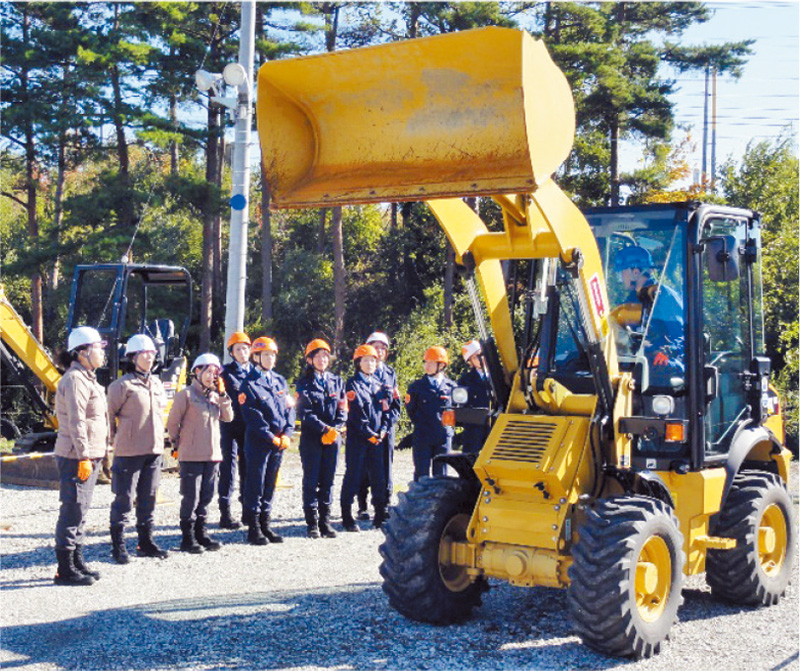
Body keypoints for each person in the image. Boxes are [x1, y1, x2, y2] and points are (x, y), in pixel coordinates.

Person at [53, 326, 108, 586]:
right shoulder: (75, 380)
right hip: (76, 456)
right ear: (83, 352)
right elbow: (76, 421)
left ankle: (76, 561)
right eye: (99, 347)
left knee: (82, 510)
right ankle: (64, 569)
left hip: (88, 455)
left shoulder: (87, 378)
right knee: (72, 509)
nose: (102, 352)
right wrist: (85, 456)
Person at [107, 334, 169, 564]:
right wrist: (110, 441)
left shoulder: (156, 383)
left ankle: (145, 542)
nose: (150, 357)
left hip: (153, 450)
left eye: (152, 353)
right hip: (128, 452)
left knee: (148, 497)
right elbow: (108, 416)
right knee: (124, 499)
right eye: (145, 353)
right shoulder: (121, 386)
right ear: (132, 357)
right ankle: (119, 545)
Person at [167, 353, 233, 554]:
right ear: (197, 371)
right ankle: (188, 537)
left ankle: (201, 533)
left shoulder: (215, 396)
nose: (212, 375)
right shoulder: (185, 395)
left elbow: (228, 417)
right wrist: (177, 444)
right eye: (208, 371)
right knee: (191, 497)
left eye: (215, 372)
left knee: (206, 495)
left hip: (212, 455)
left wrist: (222, 395)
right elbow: (172, 423)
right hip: (191, 455)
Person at [240, 337, 295, 545]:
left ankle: (265, 524)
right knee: (256, 483)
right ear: (256, 357)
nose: (270, 359)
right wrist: (271, 437)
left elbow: (290, 407)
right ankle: (253, 528)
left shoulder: (279, 381)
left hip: (279, 442)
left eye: (272, 355)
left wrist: (287, 434)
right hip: (259, 442)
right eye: (265, 355)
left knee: (270, 484)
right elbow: (252, 415)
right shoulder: (249, 384)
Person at [295, 339, 346, 538]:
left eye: (325, 356)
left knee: (328, 480)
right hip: (312, 439)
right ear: (310, 359)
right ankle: (312, 524)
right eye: (318, 356)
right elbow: (305, 413)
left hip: (333, 439)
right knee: (311, 480)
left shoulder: (337, 381)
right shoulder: (303, 383)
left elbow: (343, 408)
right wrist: (325, 429)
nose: (322, 359)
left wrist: (337, 428)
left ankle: (325, 522)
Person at [613, 245, 685, 384]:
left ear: (635, 272)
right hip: (637, 362)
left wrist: (668, 351)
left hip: (663, 365)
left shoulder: (663, 296)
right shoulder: (631, 299)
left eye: (622, 272)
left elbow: (683, 334)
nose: (620, 278)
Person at [340, 344, 389, 531]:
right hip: (359, 439)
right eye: (366, 360)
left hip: (377, 439)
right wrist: (369, 434)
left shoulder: (380, 386)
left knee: (378, 478)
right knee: (353, 476)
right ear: (358, 362)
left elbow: (386, 410)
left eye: (373, 360)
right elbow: (355, 414)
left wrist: (383, 430)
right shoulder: (352, 385)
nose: (370, 363)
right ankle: (347, 517)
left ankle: (378, 516)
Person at [356, 331, 401, 521]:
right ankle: (363, 505)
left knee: (385, 466)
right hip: (367, 429)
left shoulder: (391, 374)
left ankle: (384, 503)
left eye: (383, 348)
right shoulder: (361, 374)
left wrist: (387, 424)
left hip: (386, 430)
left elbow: (396, 405)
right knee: (365, 466)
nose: (380, 351)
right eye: (376, 346)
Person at [405, 346, 457, 481]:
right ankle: (419, 502)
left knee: (441, 476)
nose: (427, 366)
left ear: (441, 365)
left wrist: (448, 429)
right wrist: (424, 425)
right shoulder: (416, 387)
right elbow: (411, 410)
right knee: (421, 475)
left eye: (431, 363)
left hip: (443, 437)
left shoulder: (452, 388)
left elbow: (457, 411)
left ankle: (439, 502)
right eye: (426, 362)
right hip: (423, 436)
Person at [217, 331, 252, 529]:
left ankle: (248, 510)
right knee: (228, 469)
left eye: (245, 348)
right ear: (231, 352)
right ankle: (225, 512)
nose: (242, 352)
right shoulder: (225, 373)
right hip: (229, 427)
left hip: (249, 428)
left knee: (249, 468)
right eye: (238, 349)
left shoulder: (255, 372)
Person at [457, 340, 491, 454]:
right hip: (474, 429)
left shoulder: (499, 376)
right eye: (477, 357)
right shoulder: (465, 380)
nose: (482, 359)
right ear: (470, 362)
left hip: (494, 427)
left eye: (482, 354)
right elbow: (461, 406)